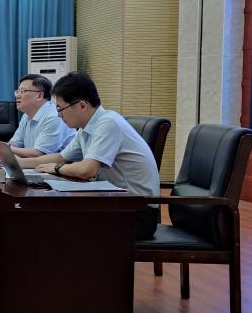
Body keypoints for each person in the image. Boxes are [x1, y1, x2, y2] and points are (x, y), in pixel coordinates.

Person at [19, 71, 160, 240]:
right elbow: (60, 157)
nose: (59, 115)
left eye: (60, 108)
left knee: (52, 222)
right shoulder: (86, 127)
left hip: (136, 213)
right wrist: (18, 163)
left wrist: (57, 169)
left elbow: (87, 170)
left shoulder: (108, 123)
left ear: (82, 105)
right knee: (46, 218)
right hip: (114, 204)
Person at [0, 74, 73, 159]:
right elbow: (15, 144)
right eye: (17, 91)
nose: (17, 96)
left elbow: (39, 154)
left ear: (39, 95)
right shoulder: (27, 115)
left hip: (63, 169)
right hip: (35, 167)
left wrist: (3, 149)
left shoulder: (54, 117)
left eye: (23, 91)